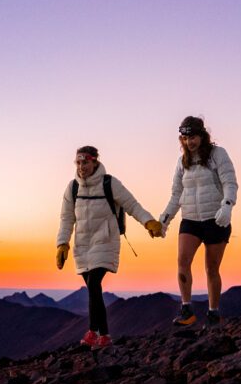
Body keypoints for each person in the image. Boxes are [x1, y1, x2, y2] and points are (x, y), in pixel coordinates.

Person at [56, 146, 163, 348]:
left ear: (95, 162)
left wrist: (148, 222)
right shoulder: (72, 188)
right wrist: (62, 244)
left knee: (94, 283)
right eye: (78, 163)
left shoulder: (110, 183)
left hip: (105, 241)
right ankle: (104, 335)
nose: (81, 167)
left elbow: (132, 205)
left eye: (85, 162)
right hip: (82, 245)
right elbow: (66, 218)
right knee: (92, 288)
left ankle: (92, 332)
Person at [159, 116, 239, 328]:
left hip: (216, 218)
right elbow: (176, 194)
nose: (189, 142)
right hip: (190, 220)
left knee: (211, 269)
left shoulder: (217, 155)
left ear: (202, 135)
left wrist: (228, 206)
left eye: (193, 137)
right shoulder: (182, 162)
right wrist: (165, 219)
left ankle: (213, 314)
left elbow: (230, 182)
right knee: (182, 261)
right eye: (185, 138)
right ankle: (187, 310)